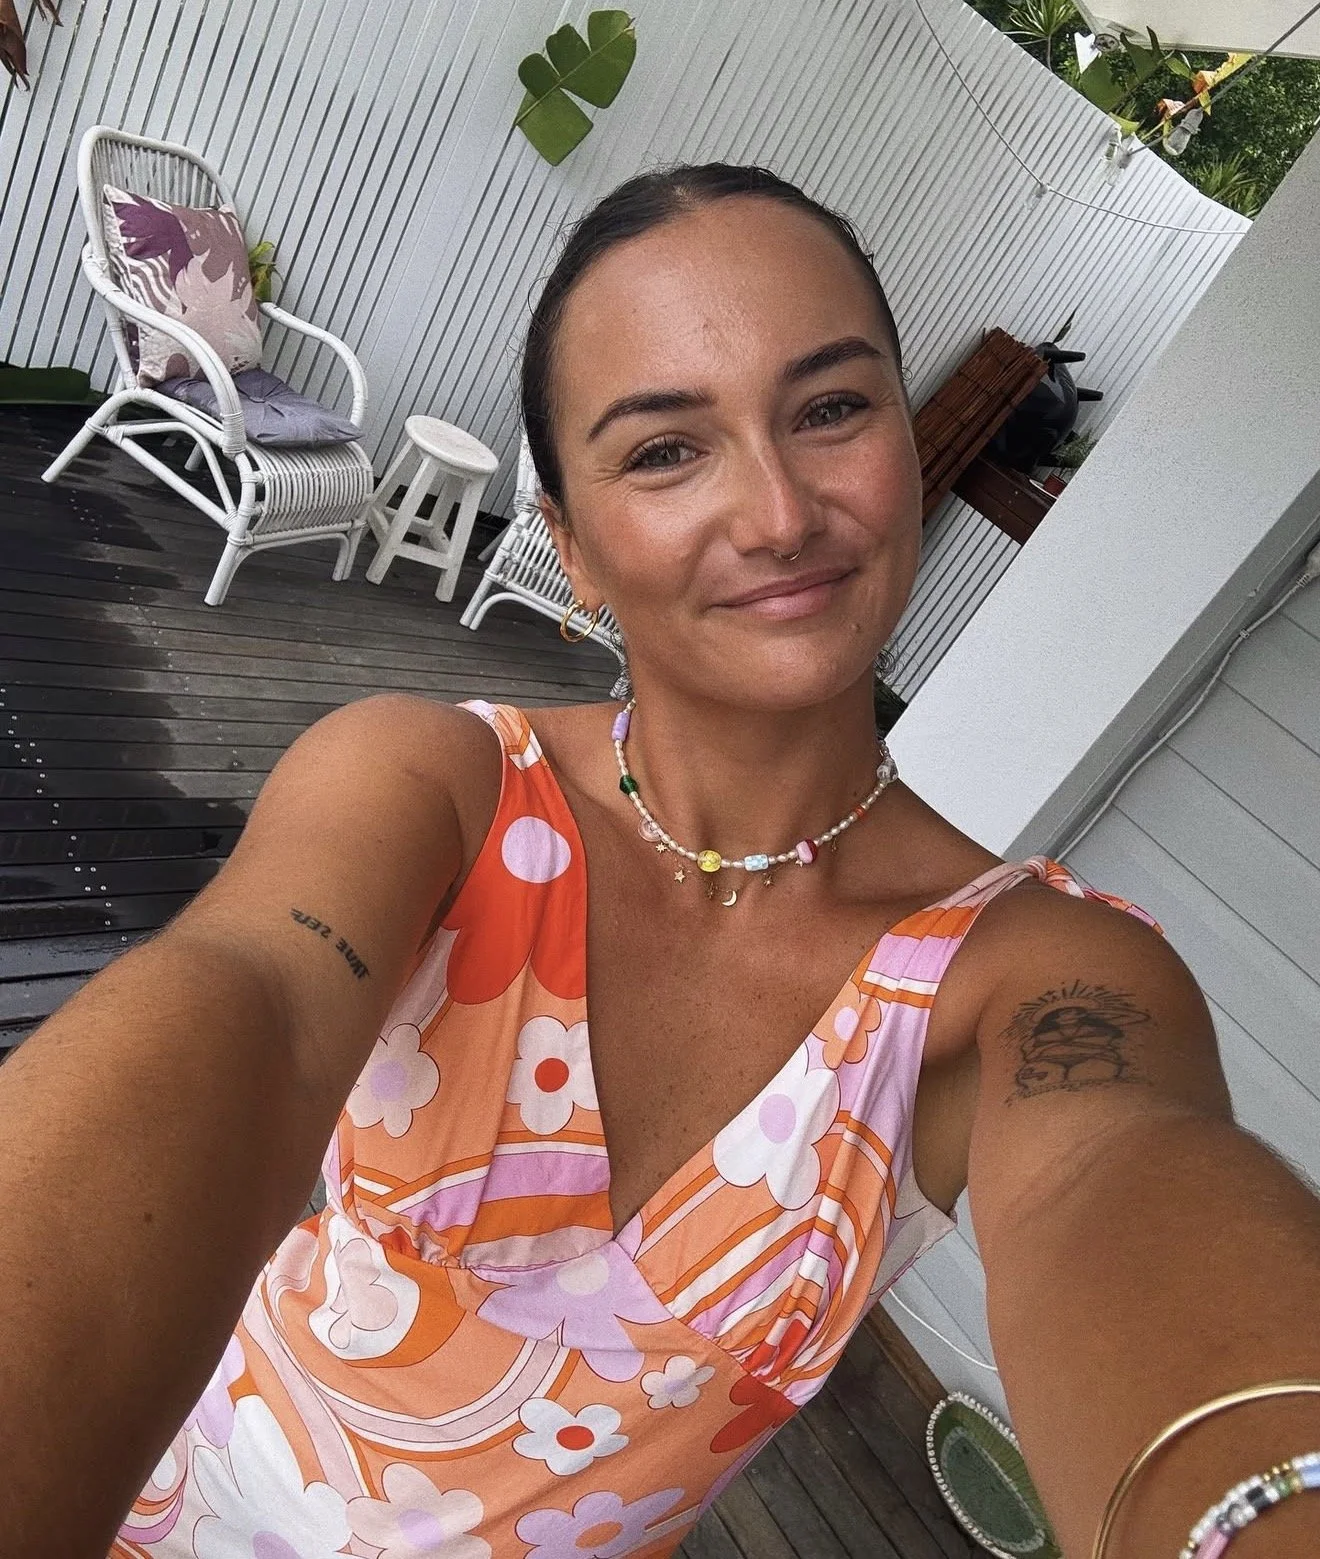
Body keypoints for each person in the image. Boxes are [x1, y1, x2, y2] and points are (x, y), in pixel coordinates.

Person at [2, 165, 1317, 1559]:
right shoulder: (429, 789)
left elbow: (1122, 1174)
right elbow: (247, 1008)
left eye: (830, 409)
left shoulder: (1032, 977)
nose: (779, 513)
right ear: (571, 546)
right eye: (666, 450)